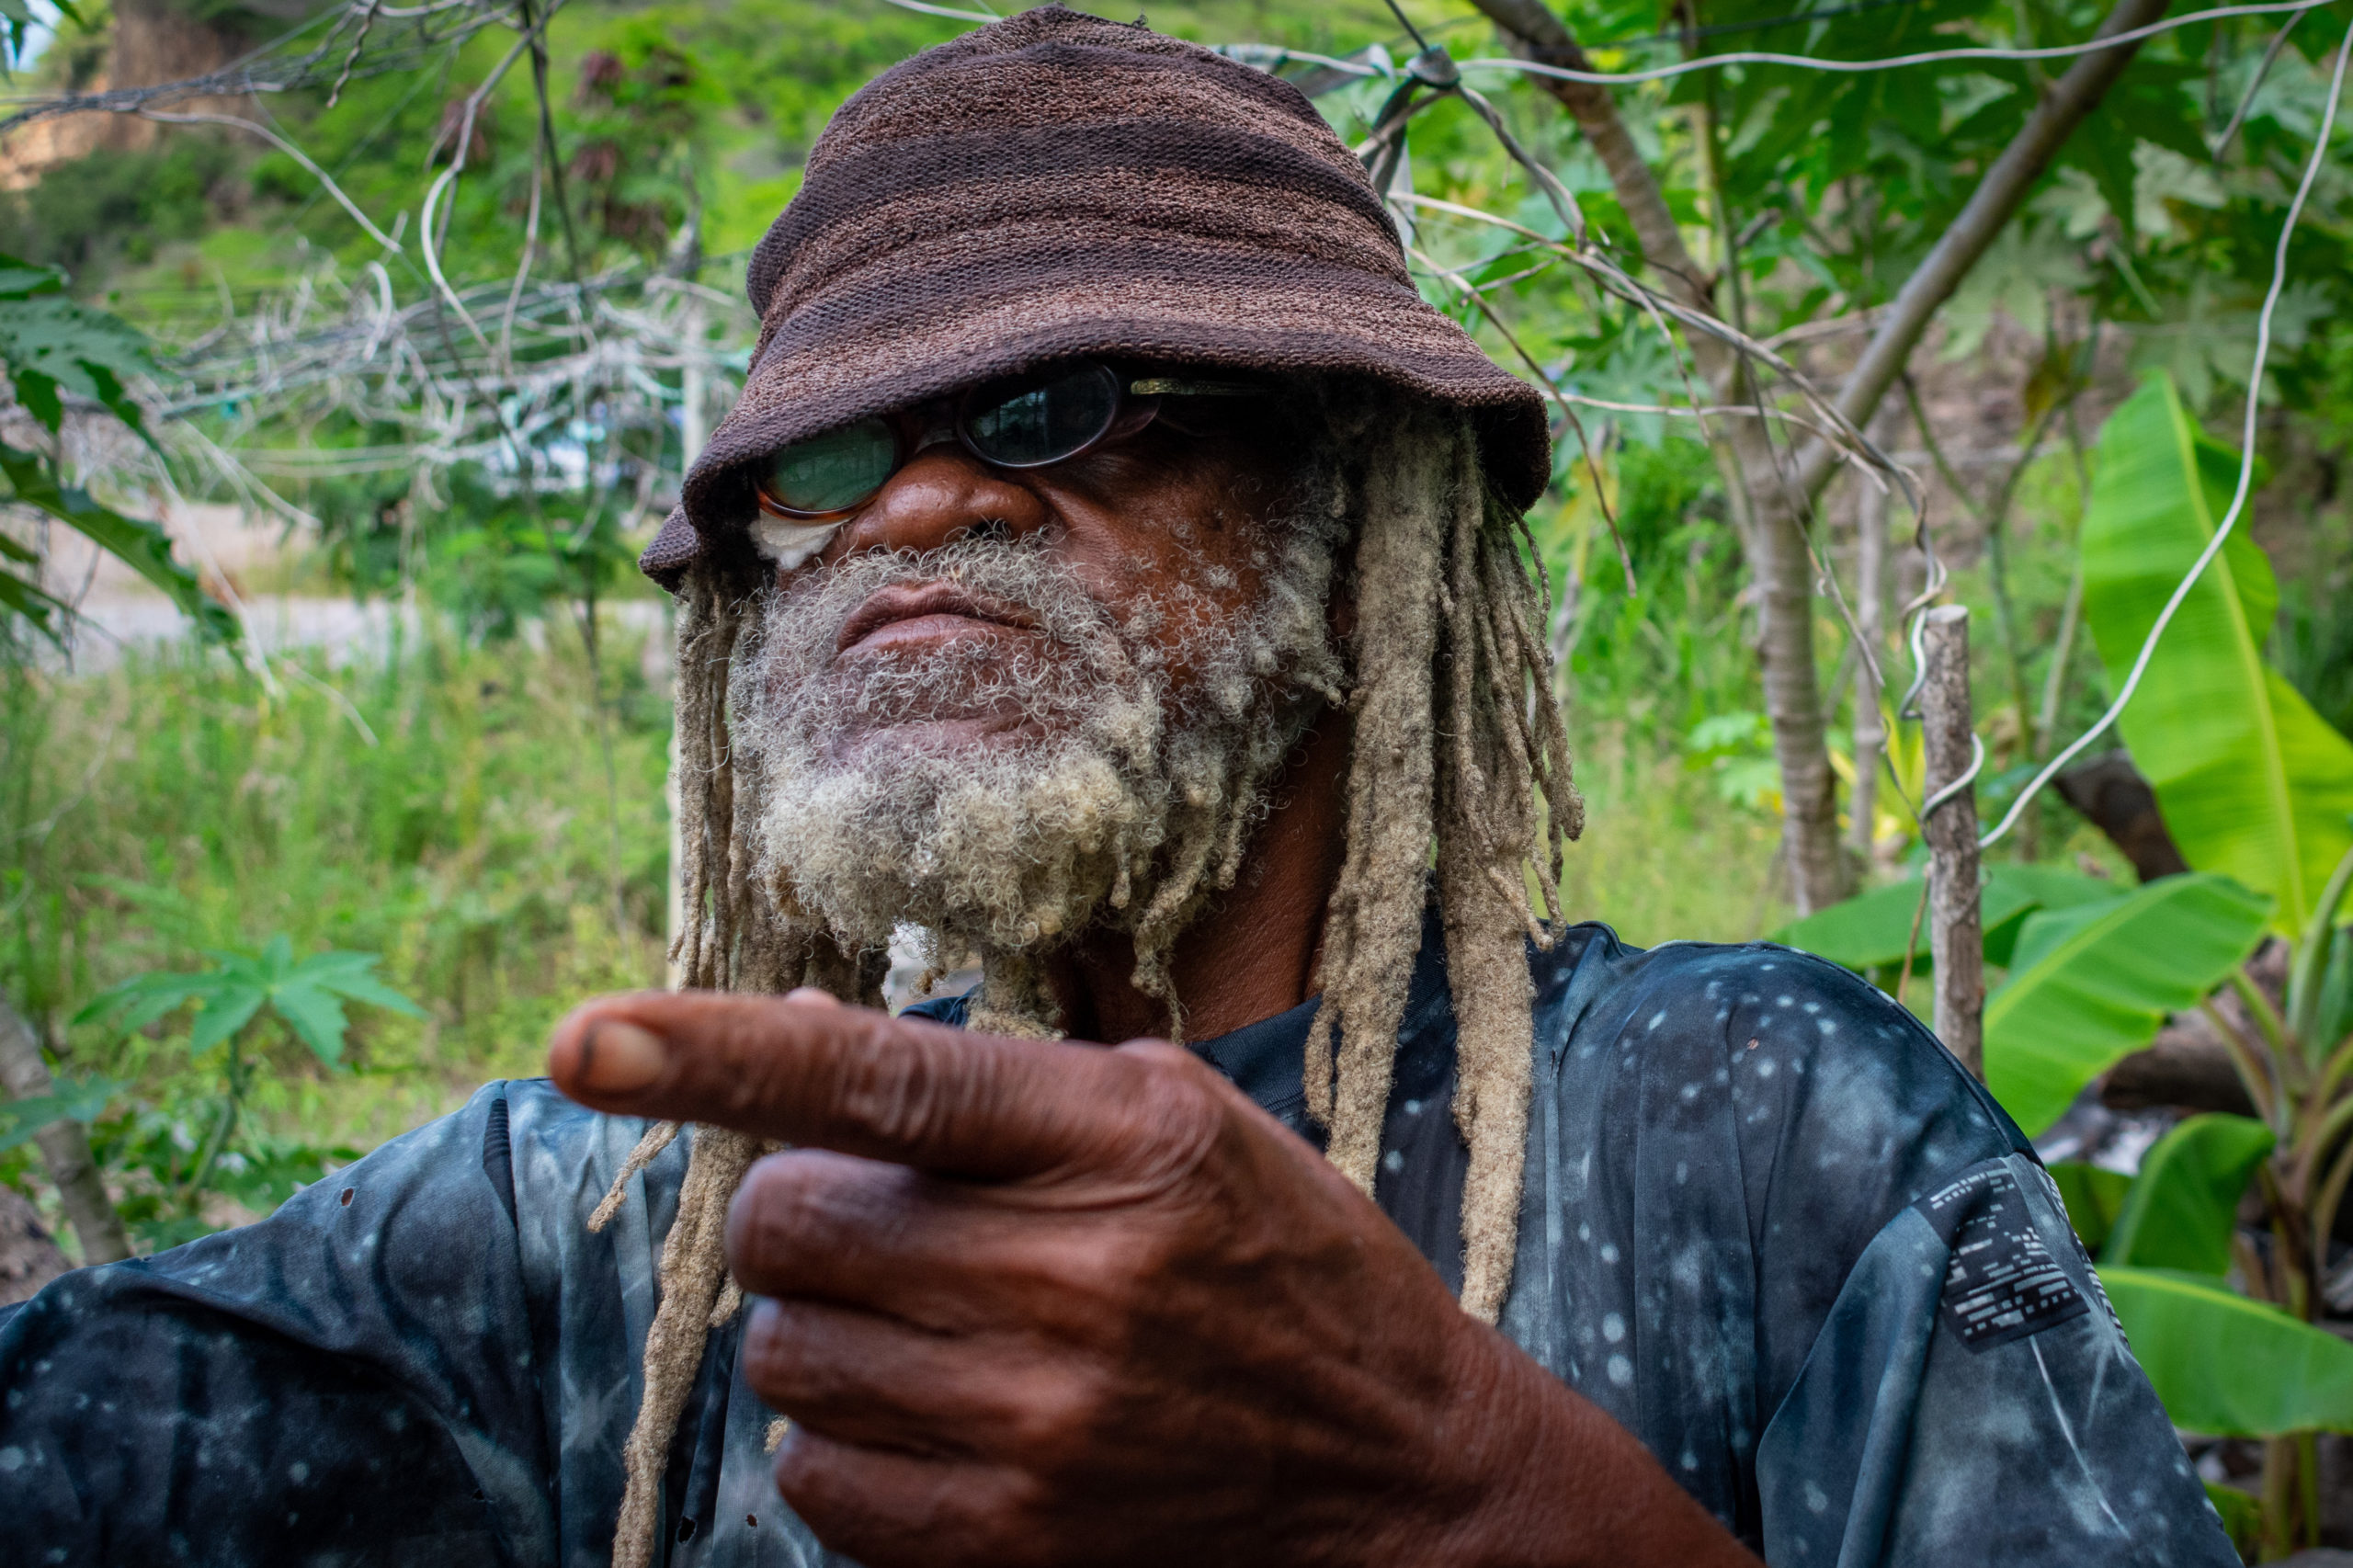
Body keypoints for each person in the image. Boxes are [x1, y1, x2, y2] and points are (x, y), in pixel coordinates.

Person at [1, 9, 2234, 1567]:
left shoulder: (1763, 1129)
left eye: (1059, 403)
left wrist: (1453, 1497)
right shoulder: (637, 1223)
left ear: (1357, 510)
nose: (903, 511)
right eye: (831, 453)